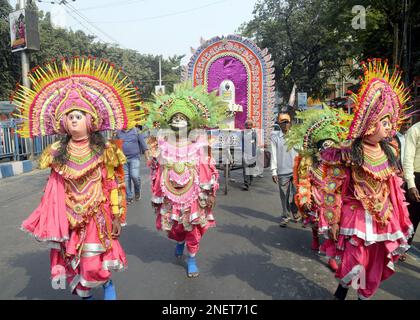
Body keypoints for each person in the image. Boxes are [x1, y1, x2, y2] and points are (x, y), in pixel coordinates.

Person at [14, 57, 143, 300]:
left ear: (91, 120)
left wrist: (116, 215)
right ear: (62, 122)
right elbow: (53, 190)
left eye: (79, 115)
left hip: (97, 215)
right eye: (70, 116)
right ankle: (90, 294)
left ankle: (106, 283)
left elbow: (114, 183)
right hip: (69, 217)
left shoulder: (106, 148)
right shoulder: (55, 152)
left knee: (94, 263)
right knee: (78, 264)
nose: (74, 119)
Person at [319, 59, 413, 300]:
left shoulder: (389, 151)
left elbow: (394, 188)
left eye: (391, 122)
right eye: (385, 122)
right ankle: (342, 291)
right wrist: (332, 219)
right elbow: (333, 188)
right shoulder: (349, 151)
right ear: (370, 123)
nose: (389, 127)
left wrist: (400, 217)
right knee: (355, 259)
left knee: (375, 262)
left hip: (383, 217)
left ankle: (363, 295)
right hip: (355, 214)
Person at [145, 81, 225, 278]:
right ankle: (179, 242)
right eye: (176, 117)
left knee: (193, 228)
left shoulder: (199, 144)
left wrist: (209, 192)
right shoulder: (162, 144)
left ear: (191, 122)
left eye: (183, 118)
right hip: (170, 194)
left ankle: (191, 259)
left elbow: (207, 168)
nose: (179, 120)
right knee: (176, 227)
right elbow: (156, 168)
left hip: (194, 194)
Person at [286, 105, 353, 272]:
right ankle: (315, 237)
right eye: (324, 147)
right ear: (318, 148)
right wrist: (304, 198)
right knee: (316, 223)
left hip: (333, 200)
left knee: (333, 226)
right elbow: (303, 182)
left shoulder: (338, 164)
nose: (327, 151)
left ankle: (332, 255)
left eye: (330, 147)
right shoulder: (309, 162)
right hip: (316, 198)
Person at [270, 113, 298, 227]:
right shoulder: (275, 137)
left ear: (290, 123)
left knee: (297, 194)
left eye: (287, 122)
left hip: (296, 170)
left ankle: (294, 209)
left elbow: (301, 151)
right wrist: (273, 171)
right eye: (283, 122)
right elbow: (274, 154)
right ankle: (286, 215)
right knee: (284, 195)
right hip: (282, 172)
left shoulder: (296, 136)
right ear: (279, 124)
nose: (286, 125)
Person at [402, 119, 420, 260]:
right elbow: (408, 158)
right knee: (412, 218)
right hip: (417, 179)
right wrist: (411, 184)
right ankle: (402, 246)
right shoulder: (415, 130)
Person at [116, 125, 149, 204]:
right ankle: (129, 197)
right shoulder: (118, 132)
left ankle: (137, 191)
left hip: (134, 158)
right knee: (126, 179)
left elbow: (143, 145)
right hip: (123, 159)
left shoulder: (136, 131)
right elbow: (115, 146)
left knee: (134, 176)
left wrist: (147, 157)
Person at [242, 119, 257, 190]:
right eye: (247, 125)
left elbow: (257, 142)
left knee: (251, 167)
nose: (248, 126)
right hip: (244, 153)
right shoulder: (242, 133)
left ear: (252, 126)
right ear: (245, 126)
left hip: (253, 153)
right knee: (245, 168)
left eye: (250, 125)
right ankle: (246, 184)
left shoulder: (254, 133)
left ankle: (250, 179)